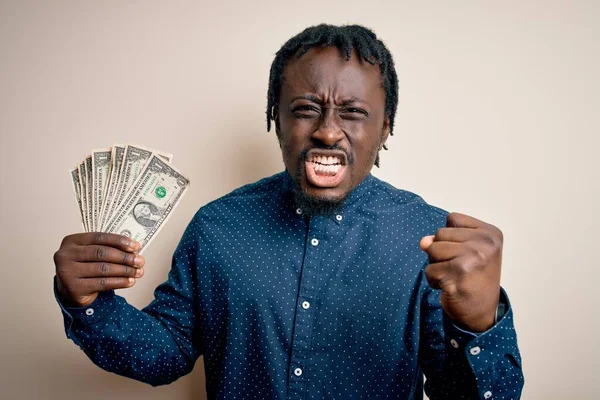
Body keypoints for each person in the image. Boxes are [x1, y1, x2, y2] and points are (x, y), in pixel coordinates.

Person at [53, 24, 524, 399]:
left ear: (385, 129)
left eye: (354, 112)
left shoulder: (430, 240)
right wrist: (87, 304)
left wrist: (481, 324)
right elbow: (165, 354)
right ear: (276, 120)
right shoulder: (217, 227)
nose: (327, 132)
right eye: (305, 109)